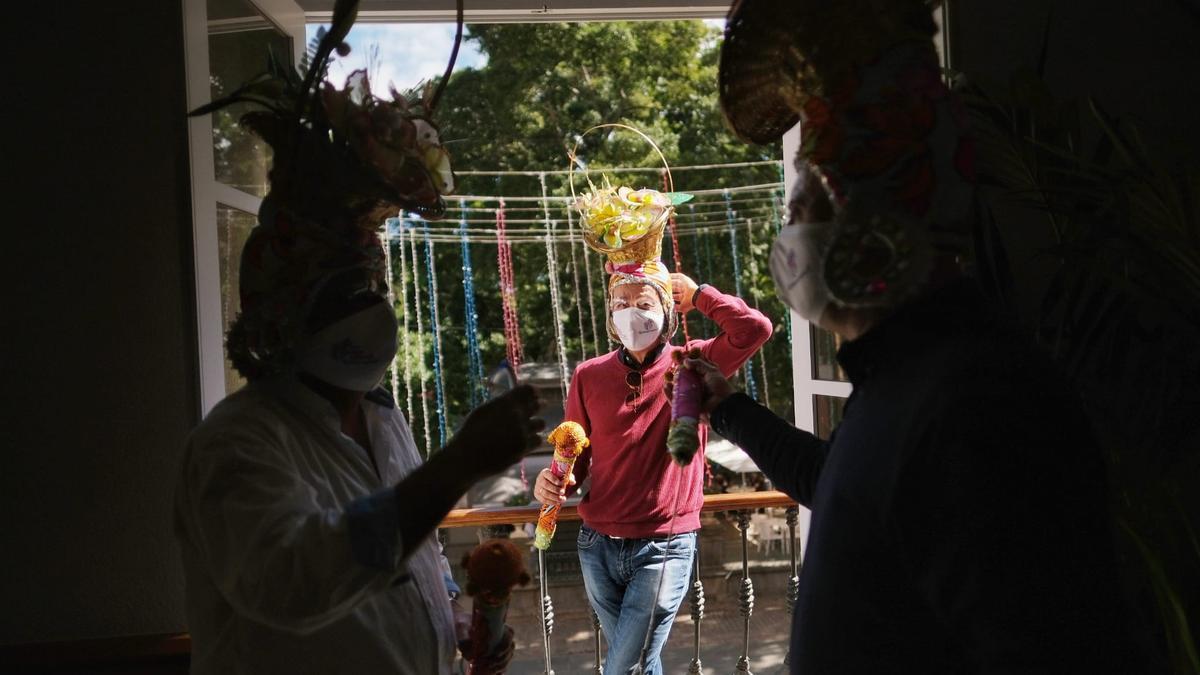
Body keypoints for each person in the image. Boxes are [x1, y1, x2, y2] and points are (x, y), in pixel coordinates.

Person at [693, 1, 1144, 672]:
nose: (787, 237)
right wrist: (726, 406)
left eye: (799, 208)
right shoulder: (904, 380)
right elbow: (843, 485)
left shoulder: (979, 403)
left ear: (868, 217)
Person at [176, 9, 536, 672]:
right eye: (349, 295)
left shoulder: (383, 419)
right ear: (287, 310)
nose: (373, 315)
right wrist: (457, 464)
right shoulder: (238, 442)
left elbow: (404, 557)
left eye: (376, 290)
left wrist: (453, 620)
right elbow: (294, 579)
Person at [535, 259, 771, 674]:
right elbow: (575, 458)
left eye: (643, 301)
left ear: (666, 309)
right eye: (620, 302)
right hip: (597, 545)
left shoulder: (693, 362)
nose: (631, 311)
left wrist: (699, 295)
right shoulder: (588, 375)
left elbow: (755, 330)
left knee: (623, 667)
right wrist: (553, 484)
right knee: (642, 665)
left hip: (664, 545)